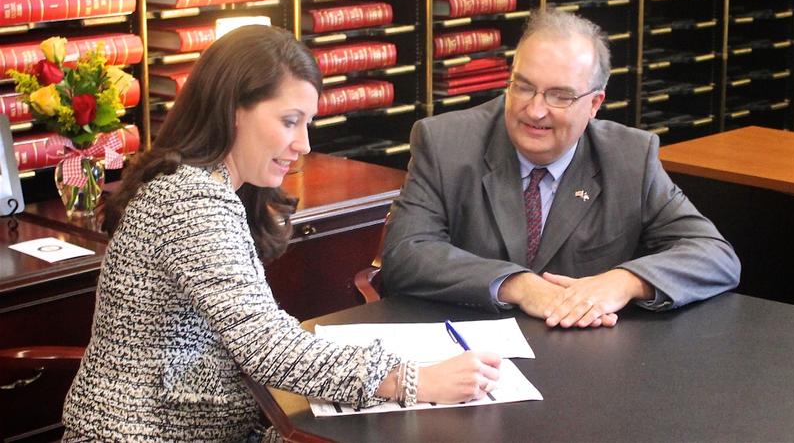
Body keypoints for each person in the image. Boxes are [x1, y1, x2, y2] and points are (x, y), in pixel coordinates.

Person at [61, 25, 501, 442]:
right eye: (290, 121)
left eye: (306, 123)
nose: (304, 144)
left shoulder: (200, 184)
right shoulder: (191, 200)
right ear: (233, 111)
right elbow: (264, 345)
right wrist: (414, 379)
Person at [381, 9, 740, 329]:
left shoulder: (630, 157)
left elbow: (715, 255)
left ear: (595, 103)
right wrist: (517, 285)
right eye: (523, 88)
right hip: (472, 354)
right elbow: (405, 253)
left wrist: (624, 282)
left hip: (587, 362)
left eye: (559, 96)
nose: (535, 110)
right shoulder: (445, 142)